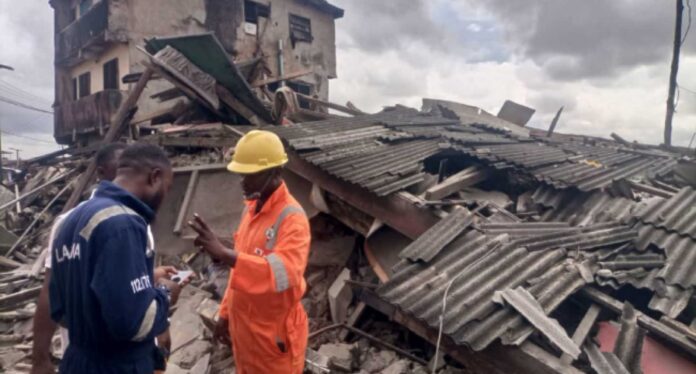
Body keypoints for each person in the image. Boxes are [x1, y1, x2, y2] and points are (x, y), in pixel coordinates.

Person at [48, 144, 178, 373]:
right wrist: (166, 293)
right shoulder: (123, 224)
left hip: (77, 361)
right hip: (117, 365)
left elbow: (60, 309)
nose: (165, 197)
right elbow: (134, 323)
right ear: (155, 177)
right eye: (167, 188)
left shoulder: (72, 220)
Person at [190, 130, 311, 374]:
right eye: (242, 174)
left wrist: (224, 254)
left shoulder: (292, 219)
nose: (243, 182)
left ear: (274, 172)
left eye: (251, 175)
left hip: (274, 341)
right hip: (246, 334)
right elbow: (240, 273)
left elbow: (284, 273)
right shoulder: (251, 210)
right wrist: (225, 314)